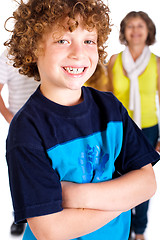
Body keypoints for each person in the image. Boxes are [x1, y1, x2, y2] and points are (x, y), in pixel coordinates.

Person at [5, 1, 159, 240]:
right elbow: (50, 230)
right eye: (63, 40)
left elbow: (147, 184)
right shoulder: (26, 129)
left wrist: (75, 196)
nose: (78, 53)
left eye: (89, 41)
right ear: (33, 48)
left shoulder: (111, 108)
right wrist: (124, 198)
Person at [107, 11, 160, 240]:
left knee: (142, 183)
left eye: (140, 26)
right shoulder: (114, 61)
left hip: (148, 128)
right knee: (118, 181)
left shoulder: (157, 63)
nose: (135, 30)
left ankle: (140, 231)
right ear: (124, 32)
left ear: (148, 30)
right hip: (120, 129)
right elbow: (107, 99)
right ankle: (123, 230)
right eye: (130, 26)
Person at [0, 49, 39, 235]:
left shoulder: (45, 48)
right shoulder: (8, 56)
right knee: (20, 171)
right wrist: (8, 115)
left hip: (45, 119)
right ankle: (20, 215)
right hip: (20, 122)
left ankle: (43, 213)